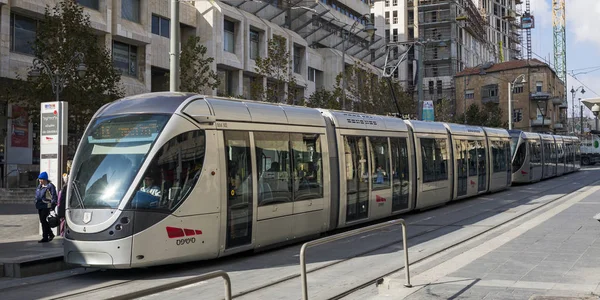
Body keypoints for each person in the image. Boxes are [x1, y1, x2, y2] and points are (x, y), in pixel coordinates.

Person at [35, 171, 58, 243]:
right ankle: (50, 234)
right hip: (40, 206)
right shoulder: (39, 186)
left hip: (46, 206)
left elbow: (54, 197)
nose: (40, 181)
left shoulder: (50, 186)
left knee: (43, 220)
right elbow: (37, 195)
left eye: (41, 179)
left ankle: (45, 237)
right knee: (43, 221)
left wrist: (52, 205)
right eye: (39, 179)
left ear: (45, 179)